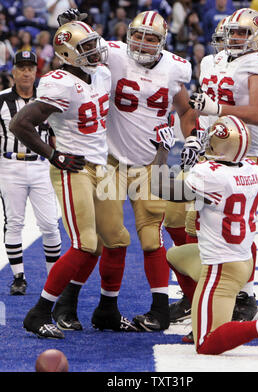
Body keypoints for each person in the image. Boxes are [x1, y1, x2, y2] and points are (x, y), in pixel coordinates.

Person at [54, 9, 198, 332]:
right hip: (111, 163)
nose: (143, 43)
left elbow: (186, 109)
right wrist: (71, 28)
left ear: (163, 42)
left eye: (151, 38)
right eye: (138, 35)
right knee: (105, 238)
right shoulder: (114, 54)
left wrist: (191, 138)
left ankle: (160, 310)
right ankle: (77, 303)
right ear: (129, 34)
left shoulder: (175, 68)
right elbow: (82, 49)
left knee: (151, 237)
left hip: (153, 164)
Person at [10, 21, 139, 338]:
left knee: (118, 238)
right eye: (86, 47)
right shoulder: (59, 83)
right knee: (86, 245)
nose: (95, 51)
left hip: (102, 165)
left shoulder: (102, 73)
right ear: (68, 54)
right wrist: (54, 155)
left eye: (94, 44)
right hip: (74, 168)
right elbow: (20, 124)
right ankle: (40, 312)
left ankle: (107, 310)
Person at [167, 8, 258, 332]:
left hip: (248, 155)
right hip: (210, 149)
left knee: (231, 223)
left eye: (242, 33)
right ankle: (195, 289)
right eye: (231, 33)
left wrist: (216, 108)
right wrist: (193, 139)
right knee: (177, 216)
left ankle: (244, 295)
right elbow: (199, 111)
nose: (234, 39)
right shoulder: (210, 62)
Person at [150, 115, 258, 360]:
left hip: (221, 268)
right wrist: (195, 164)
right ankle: (198, 305)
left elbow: (160, 187)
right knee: (174, 255)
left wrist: (162, 150)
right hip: (242, 259)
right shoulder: (250, 168)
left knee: (205, 343)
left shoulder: (211, 175)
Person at [0, 51, 61, 295]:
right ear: (13, 71)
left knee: (49, 223)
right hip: (10, 164)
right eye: (21, 68)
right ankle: (18, 277)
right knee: (14, 222)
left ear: (37, 72)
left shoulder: (47, 100)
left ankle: (54, 277)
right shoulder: (1, 100)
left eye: (30, 68)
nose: (26, 72)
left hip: (40, 165)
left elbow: (56, 134)